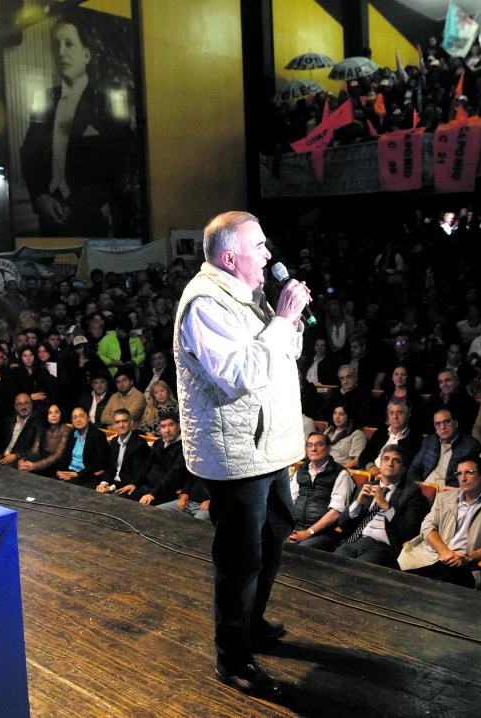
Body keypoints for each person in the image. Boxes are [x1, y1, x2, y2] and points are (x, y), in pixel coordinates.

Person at [173, 211, 309, 698]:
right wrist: (282, 319)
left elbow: (279, 356)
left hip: (265, 447)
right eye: (260, 246)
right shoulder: (205, 303)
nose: (269, 255)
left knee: (274, 534)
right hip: (235, 455)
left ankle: (250, 622)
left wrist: (286, 323)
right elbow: (237, 374)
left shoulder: (246, 295)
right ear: (230, 257)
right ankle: (232, 657)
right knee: (240, 558)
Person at [19, 18, 132, 237]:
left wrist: (96, 202)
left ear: (86, 54)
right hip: (50, 213)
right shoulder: (44, 99)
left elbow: (120, 158)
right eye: (56, 45)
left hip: (92, 212)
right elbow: (29, 152)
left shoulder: (106, 101)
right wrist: (40, 196)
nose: (61, 52)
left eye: (69, 44)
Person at [399, 456, 481, 588]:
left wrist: (468, 558)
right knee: (399, 574)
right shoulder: (444, 498)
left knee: (427, 583)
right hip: (433, 554)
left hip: (464, 564)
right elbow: (427, 526)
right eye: (459, 473)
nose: (463, 478)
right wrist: (444, 552)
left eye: (469, 472)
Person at [334, 446, 428, 566]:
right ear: (380, 464)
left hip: (383, 547)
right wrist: (357, 503)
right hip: (353, 540)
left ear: (404, 469)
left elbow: (408, 532)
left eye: (396, 460)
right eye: (386, 459)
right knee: (332, 565)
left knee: (355, 570)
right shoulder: (366, 486)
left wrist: (386, 507)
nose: (390, 463)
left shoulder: (412, 493)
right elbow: (342, 523)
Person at [286, 432, 354, 551]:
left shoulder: (341, 474)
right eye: (309, 445)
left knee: (299, 550)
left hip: (324, 533)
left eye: (319, 444)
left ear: (328, 448)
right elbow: (289, 500)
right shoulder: (302, 470)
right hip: (297, 527)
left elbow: (336, 512)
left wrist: (308, 532)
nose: (313, 449)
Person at [407, 409, 481, 490]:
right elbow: (414, 468)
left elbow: (473, 477)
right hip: (424, 488)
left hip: (449, 492)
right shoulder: (429, 441)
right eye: (438, 424)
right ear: (435, 427)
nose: (443, 427)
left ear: (456, 423)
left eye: (447, 422)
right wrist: (417, 486)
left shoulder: (471, 445)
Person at [357, 399, 423, 475]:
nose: (395, 417)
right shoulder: (381, 431)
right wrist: (370, 467)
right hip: (372, 473)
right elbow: (364, 455)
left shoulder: (415, 437)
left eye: (400, 413)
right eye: (391, 413)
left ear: (408, 415)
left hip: (394, 478)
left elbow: (410, 465)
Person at [137, 412, 189, 505]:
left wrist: (153, 494)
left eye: (171, 425)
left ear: (179, 426)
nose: (167, 430)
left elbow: (173, 474)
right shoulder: (158, 442)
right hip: (147, 487)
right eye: (163, 426)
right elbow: (146, 464)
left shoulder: (185, 447)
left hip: (165, 493)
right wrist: (134, 483)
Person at [99, 408, 150, 496]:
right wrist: (103, 484)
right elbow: (109, 468)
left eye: (124, 421)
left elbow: (134, 475)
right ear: (114, 425)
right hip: (112, 483)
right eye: (117, 422)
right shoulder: (114, 441)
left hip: (128, 486)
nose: (121, 425)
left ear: (131, 423)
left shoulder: (139, 443)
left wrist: (111, 488)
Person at [55, 406, 108, 487]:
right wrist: (59, 470)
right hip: (70, 471)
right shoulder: (72, 434)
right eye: (74, 417)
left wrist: (77, 474)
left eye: (81, 416)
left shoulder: (98, 435)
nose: (78, 420)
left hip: (86, 475)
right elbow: (65, 456)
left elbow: (99, 463)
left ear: (89, 418)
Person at [17, 404, 72, 477]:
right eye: (50, 413)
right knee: (25, 464)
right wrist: (23, 460)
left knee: (29, 469)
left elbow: (58, 455)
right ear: (47, 415)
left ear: (61, 414)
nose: (53, 415)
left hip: (56, 464)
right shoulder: (42, 427)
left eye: (56, 412)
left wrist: (35, 466)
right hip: (41, 461)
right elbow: (34, 451)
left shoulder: (65, 428)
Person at [0, 393, 42, 466]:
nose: (23, 406)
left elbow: (35, 450)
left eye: (26, 403)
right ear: (15, 406)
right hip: (3, 458)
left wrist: (16, 456)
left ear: (31, 404)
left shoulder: (37, 421)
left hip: (18, 461)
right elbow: (1, 441)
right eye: (19, 404)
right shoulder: (10, 419)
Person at [323, 403, 367, 470]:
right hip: (324, 467)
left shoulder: (357, 434)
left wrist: (337, 471)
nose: (337, 417)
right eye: (335, 413)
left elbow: (357, 461)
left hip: (341, 471)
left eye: (341, 414)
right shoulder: (329, 430)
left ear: (349, 416)